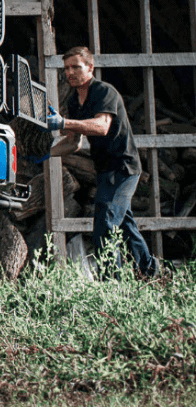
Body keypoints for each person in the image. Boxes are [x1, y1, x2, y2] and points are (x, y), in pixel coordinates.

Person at [45, 46, 158, 277]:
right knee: (125, 225)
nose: (70, 73)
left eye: (76, 66)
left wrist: (64, 123)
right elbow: (74, 143)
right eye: (66, 68)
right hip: (105, 171)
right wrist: (46, 154)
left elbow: (102, 126)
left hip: (124, 168)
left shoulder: (104, 92)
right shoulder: (76, 102)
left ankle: (112, 284)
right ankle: (151, 272)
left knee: (106, 224)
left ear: (90, 67)